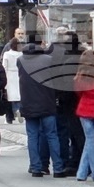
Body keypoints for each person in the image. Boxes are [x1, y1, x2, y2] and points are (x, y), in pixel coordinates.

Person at [19, 42, 65, 177]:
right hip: (47, 103)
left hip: (28, 104)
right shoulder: (48, 60)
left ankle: (35, 168)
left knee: (32, 136)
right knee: (52, 135)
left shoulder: (20, 60)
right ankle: (58, 168)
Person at [74, 50, 94, 182]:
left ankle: (93, 173)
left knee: (89, 141)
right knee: (91, 141)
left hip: (84, 109)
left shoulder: (79, 76)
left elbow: (78, 93)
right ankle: (83, 173)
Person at [1, 38, 23, 123]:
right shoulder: (21, 54)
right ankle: (19, 110)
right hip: (19, 74)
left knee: (9, 96)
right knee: (19, 95)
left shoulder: (7, 54)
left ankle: (11, 115)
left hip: (9, 75)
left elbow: (4, 66)